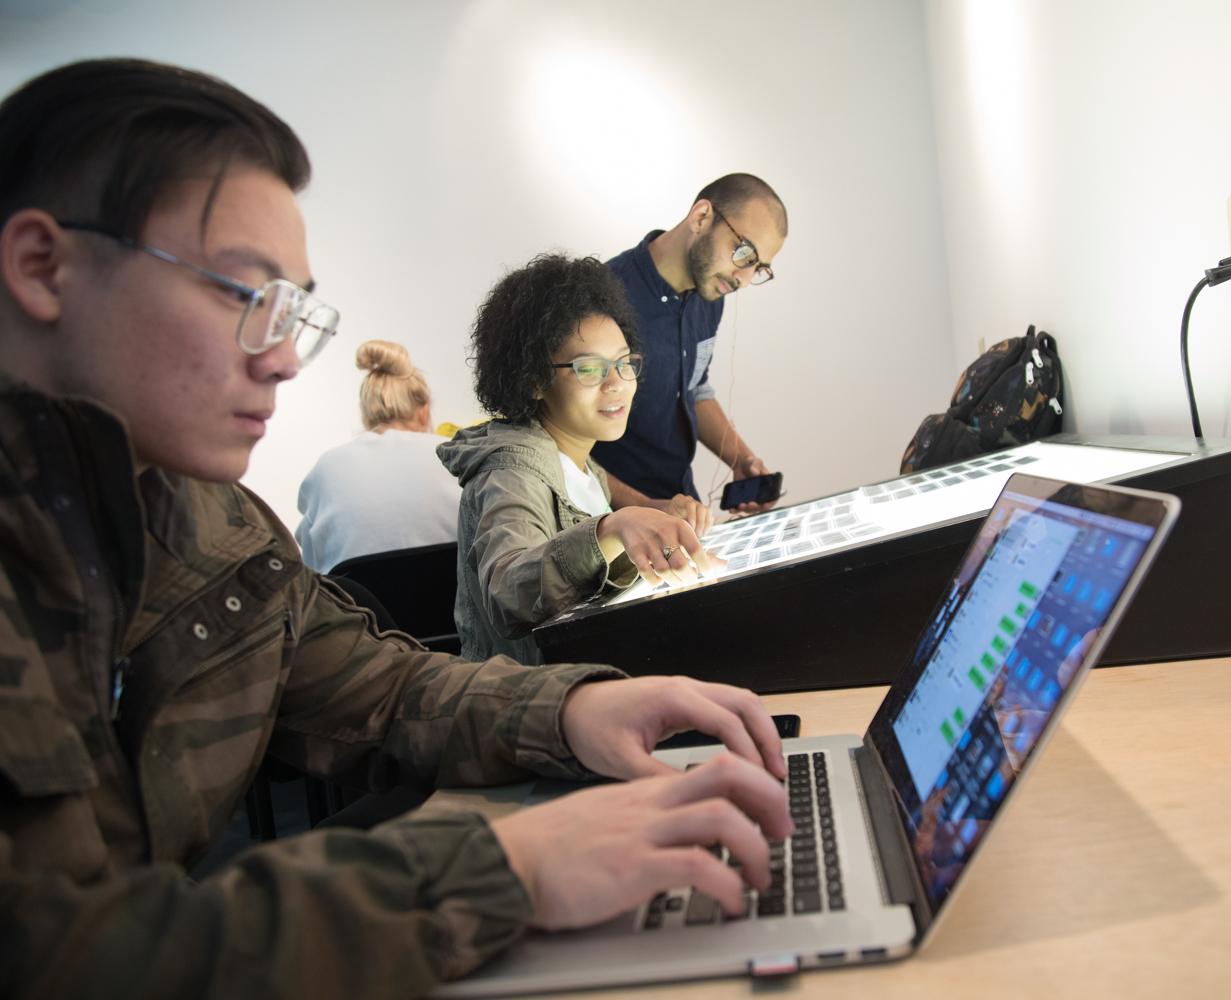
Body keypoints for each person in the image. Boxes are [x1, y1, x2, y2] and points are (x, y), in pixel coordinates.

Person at [0, 58, 792, 1000]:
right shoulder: (512, 465)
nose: (287, 359)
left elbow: (385, 681)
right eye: (243, 295)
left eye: (297, 311)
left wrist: (574, 708)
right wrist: (504, 866)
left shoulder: (214, 528)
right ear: (43, 268)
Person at [439, 254, 717, 665]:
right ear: (533, 379)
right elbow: (508, 593)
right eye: (589, 369)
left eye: (625, 364)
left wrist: (653, 513)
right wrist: (612, 527)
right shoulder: (512, 472)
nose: (617, 384)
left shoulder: (582, 463)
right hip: (533, 710)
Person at [593, 174, 787, 514]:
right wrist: (648, 509)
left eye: (758, 268)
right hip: (612, 523)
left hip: (681, 507)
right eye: (744, 253)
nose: (743, 279)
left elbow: (693, 389)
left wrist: (740, 460)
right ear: (701, 217)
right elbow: (560, 448)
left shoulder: (712, 294)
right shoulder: (602, 298)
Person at [295, 339, 462, 572]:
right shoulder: (456, 455)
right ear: (423, 409)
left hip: (356, 606)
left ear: (366, 412)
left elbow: (313, 563)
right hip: (453, 605)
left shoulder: (329, 466)